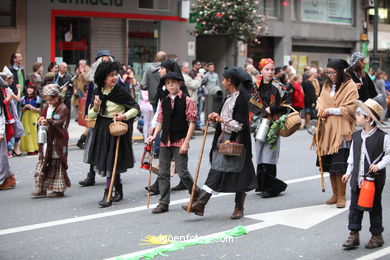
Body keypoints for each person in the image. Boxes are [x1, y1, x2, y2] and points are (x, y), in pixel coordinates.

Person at [183, 67, 256, 219]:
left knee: (239, 174)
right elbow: (222, 124)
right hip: (223, 140)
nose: (222, 81)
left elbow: (240, 125)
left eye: (224, 79)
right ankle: (200, 204)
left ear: (229, 81)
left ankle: (237, 207)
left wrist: (222, 119)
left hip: (237, 142)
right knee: (217, 169)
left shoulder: (241, 99)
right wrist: (215, 119)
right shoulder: (228, 97)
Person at [88, 61, 139, 208]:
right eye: (111, 75)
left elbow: (135, 108)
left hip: (116, 129)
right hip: (102, 130)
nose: (115, 78)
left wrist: (124, 116)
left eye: (115, 75)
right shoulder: (98, 92)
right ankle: (119, 189)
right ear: (103, 78)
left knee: (112, 161)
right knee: (110, 161)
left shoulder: (120, 91)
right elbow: (91, 115)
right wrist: (96, 107)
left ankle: (107, 194)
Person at [147, 71, 200, 214]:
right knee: (163, 173)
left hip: (180, 139)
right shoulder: (164, 101)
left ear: (179, 83)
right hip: (165, 140)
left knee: (182, 172)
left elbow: (192, 123)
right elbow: (160, 121)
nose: (170, 85)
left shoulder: (187, 101)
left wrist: (186, 142)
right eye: (167, 83)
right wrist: (154, 136)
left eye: (173, 82)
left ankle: (196, 193)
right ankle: (163, 203)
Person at [342, 99, 389, 249]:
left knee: (374, 207)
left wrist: (380, 165)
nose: (356, 117)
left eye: (359, 115)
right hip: (357, 179)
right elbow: (352, 156)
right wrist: (348, 172)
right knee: (354, 207)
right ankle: (353, 234)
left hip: (374, 180)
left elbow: (389, 154)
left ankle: (377, 235)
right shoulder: (356, 136)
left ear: (367, 118)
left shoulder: (383, 137)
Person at [316, 58, 358, 208]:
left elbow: (350, 108)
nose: (330, 75)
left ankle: (342, 195)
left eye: (333, 72)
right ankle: (334, 193)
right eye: (328, 72)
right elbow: (320, 101)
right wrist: (321, 110)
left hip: (342, 130)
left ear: (340, 72)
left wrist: (330, 110)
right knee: (329, 166)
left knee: (340, 166)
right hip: (327, 131)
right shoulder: (326, 86)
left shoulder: (350, 86)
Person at [249, 58, 289, 198]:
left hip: (274, 123)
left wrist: (273, 108)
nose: (270, 72)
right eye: (267, 69)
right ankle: (261, 184)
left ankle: (272, 188)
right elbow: (251, 104)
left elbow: (287, 106)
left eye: (272, 69)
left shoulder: (279, 87)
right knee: (260, 153)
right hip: (258, 123)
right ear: (261, 70)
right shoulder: (255, 85)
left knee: (270, 155)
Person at [78, 50, 115, 187]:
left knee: (110, 147)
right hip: (96, 114)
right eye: (103, 60)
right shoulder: (94, 80)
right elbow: (90, 98)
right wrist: (87, 114)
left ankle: (113, 177)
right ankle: (91, 175)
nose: (105, 63)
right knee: (93, 145)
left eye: (107, 60)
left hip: (110, 116)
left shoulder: (115, 78)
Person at [31, 84, 70, 197]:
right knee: (43, 161)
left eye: (51, 99)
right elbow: (42, 117)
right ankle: (41, 187)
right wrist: (41, 119)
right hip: (48, 140)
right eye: (48, 100)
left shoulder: (62, 107)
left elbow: (58, 120)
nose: (50, 102)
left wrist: (47, 121)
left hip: (58, 140)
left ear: (58, 96)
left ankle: (58, 190)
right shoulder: (48, 107)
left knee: (56, 164)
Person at [140, 51, 167, 158]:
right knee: (164, 122)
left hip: (153, 98)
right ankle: (163, 148)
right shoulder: (167, 68)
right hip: (165, 97)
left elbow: (143, 85)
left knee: (157, 122)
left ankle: (156, 149)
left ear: (156, 58)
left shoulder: (149, 69)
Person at [0, 66, 23, 157]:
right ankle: (8, 149)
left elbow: (17, 98)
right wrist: (18, 90)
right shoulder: (3, 90)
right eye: (10, 78)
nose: (12, 80)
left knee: (13, 131)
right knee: (6, 132)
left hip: (9, 112)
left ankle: (12, 147)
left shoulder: (7, 89)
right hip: (4, 112)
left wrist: (18, 90)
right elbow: (3, 103)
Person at [0, 77, 16, 190]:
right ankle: (10, 177)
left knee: (2, 156)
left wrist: (1, 132)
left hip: (0, 130)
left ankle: (5, 179)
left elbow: (1, 115)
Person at [20, 83, 41, 155]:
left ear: (34, 90)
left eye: (31, 88)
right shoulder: (23, 98)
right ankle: (29, 149)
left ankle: (36, 148)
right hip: (26, 117)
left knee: (35, 132)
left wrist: (33, 108)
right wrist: (25, 107)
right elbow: (21, 110)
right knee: (27, 132)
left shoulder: (37, 98)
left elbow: (39, 109)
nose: (29, 89)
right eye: (28, 88)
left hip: (34, 116)